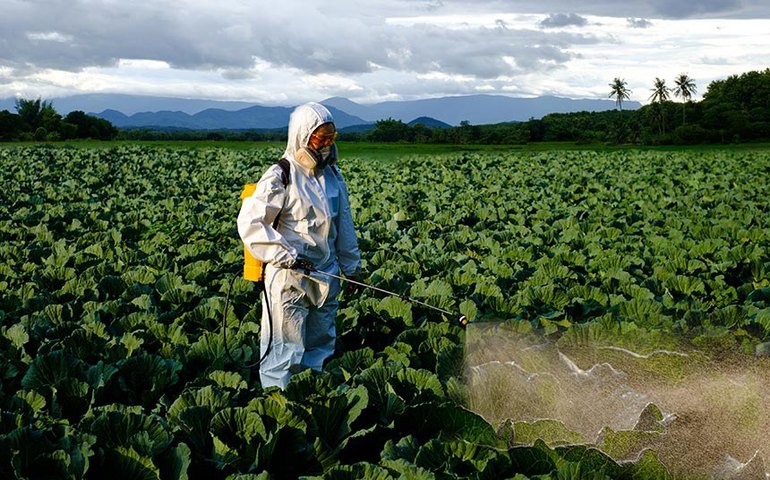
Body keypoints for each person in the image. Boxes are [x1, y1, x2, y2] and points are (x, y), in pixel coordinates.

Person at [237, 102, 361, 389]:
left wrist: (351, 269)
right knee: (284, 350)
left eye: (332, 138)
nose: (327, 144)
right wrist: (286, 255)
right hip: (289, 275)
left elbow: (344, 225)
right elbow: (252, 224)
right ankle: (278, 404)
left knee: (320, 346)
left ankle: (310, 398)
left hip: (325, 274)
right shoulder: (280, 175)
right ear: (304, 136)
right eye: (322, 138)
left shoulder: (333, 175)